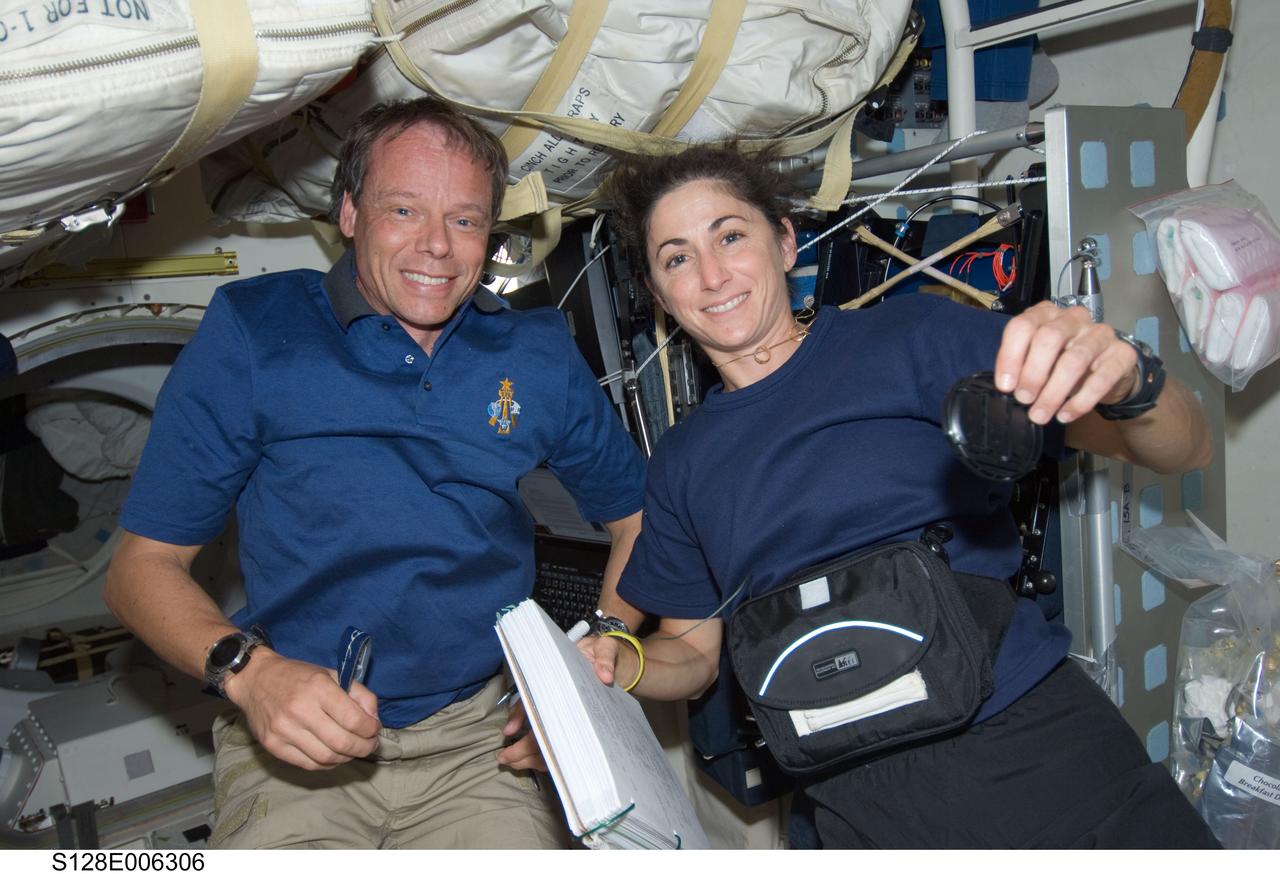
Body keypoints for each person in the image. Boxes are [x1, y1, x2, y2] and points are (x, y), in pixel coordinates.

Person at [580, 142, 1222, 849]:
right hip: (851, 806)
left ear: (786, 241)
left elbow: (1181, 447)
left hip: (1027, 756)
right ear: (659, 291)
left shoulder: (912, 339)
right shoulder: (681, 464)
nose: (710, 274)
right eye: (676, 258)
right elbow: (693, 653)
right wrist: (617, 663)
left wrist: (1136, 383)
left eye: (730, 235)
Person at [104, 97, 646, 849]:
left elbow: (637, 519)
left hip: (479, 744)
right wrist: (251, 677)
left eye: (464, 220)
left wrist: (600, 652)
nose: (438, 248)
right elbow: (141, 568)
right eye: (404, 210)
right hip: (296, 740)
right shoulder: (255, 334)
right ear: (351, 212)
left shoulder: (535, 354)